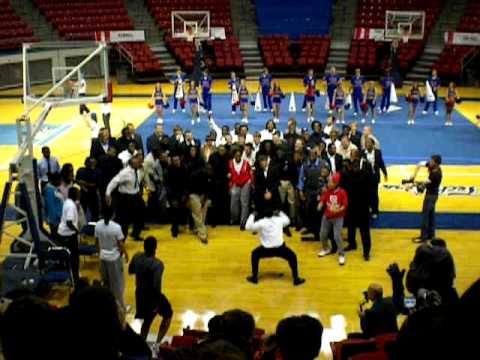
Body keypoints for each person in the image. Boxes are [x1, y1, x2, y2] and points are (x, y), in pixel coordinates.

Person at [128, 236, 173, 345]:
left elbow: (130, 270)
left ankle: (141, 345)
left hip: (139, 294)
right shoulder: (158, 264)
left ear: (144, 246)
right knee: (168, 314)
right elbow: (156, 285)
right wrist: (156, 303)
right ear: (155, 248)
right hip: (152, 296)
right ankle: (157, 343)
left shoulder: (137, 256)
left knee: (147, 321)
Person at [245, 209, 305, 286]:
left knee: (254, 254)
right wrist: (280, 212)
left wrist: (252, 215)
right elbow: (288, 220)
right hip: (280, 248)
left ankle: (254, 277)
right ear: (273, 214)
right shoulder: (279, 220)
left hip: (266, 250)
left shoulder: (261, 223)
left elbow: (247, 227)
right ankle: (296, 279)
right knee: (293, 257)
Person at [95, 206, 128, 310]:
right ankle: (121, 307)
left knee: (105, 283)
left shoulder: (98, 225)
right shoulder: (116, 227)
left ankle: (106, 306)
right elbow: (120, 244)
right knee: (117, 284)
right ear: (113, 214)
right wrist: (126, 254)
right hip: (114, 258)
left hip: (103, 257)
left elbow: (96, 242)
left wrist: (99, 253)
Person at [105, 154, 145, 241]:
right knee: (124, 220)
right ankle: (121, 240)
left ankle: (136, 233)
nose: (140, 163)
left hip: (136, 196)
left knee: (140, 214)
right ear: (132, 164)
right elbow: (114, 182)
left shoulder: (138, 170)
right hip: (126, 198)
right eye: (138, 162)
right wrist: (108, 193)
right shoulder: (125, 173)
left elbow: (139, 180)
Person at [410, 155, 443, 243]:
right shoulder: (436, 168)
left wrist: (412, 187)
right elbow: (420, 164)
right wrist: (414, 175)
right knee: (431, 215)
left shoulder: (435, 175)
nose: (430, 162)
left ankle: (423, 237)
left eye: (431, 161)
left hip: (430, 196)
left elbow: (422, 188)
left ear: (436, 163)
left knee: (425, 216)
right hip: (434, 195)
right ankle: (431, 235)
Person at [317, 173, 348, 265]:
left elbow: (345, 205)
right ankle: (325, 248)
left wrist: (338, 210)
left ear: (336, 183)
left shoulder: (342, 192)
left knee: (337, 236)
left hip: (338, 218)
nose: (328, 183)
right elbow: (323, 199)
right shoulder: (327, 191)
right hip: (327, 216)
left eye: (330, 182)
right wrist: (320, 204)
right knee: (322, 234)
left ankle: (341, 254)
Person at [344, 159, 372, 260]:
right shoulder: (350, 176)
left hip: (362, 208)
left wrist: (370, 206)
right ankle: (352, 244)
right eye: (353, 166)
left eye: (356, 166)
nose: (355, 168)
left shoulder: (363, 176)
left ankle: (366, 252)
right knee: (351, 228)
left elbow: (369, 191)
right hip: (352, 208)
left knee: (364, 232)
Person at [57, 186, 81, 283]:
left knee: (66, 257)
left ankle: (68, 276)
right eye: (78, 193)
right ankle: (75, 278)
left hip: (62, 234)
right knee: (74, 258)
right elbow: (69, 222)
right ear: (75, 195)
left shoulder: (68, 202)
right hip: (68, 235)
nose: (80, 195)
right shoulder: (71, 206)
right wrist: (77, 231)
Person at [187, 151, 210, 244]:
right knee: (199, 215)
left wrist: (204, 196)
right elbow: (189, 186)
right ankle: (203, 234)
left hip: (200, 194)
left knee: (199, 215)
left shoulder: (192, 171)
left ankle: (198, 229)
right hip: (195, 194)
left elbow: (207, 185)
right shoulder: (202, 172)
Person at [362, 137, 387, 218]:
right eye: (366, 143)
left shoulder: (377, 152)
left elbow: (381, 163)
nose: (367, 144)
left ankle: (375, 211)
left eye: (369, 143)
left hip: (374, 177)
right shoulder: (362, 153)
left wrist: (385, 173)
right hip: (365, 177)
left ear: (373, 144)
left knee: (374, 194)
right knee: (366, 194)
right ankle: (367, 209)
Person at [228, 148, 253, 230]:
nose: (238, 156)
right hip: (235, 183)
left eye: (239, 155)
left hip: (246, 183)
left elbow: (251, 174)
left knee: (244, 202)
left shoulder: (246, 163)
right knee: (233, 202)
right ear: (234, 155)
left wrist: (251, 183)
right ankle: (234, 219)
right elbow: (229, 175)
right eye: (236, 155)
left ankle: (243, 222)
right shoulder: (230, 163)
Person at [165, 154, 188, 238]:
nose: (176, 162)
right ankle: (174, 231)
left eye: (177, 160)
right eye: (174, 161)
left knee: (181, 211)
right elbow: (167, 185)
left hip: (182, 194)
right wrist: (172, 198)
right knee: (174, 212)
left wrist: (185, 195)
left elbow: (186, 182)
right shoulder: (169, 170)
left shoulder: (184, 168)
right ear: (172, 161)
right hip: (173, 194)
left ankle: (181, 226)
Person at [75, 156, 101, 221]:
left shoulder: (97, 172)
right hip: (83, 194)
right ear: (86, 163)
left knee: (95, 213)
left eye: (94, 163)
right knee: (82, 211)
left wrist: (84, 183)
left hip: (93, 194)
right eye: (91, 163)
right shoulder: (81, 170)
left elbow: (96, 184)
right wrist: (82, 186)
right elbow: (76, 180)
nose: (92, 164)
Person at [42, 173, 64, 239]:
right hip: (55, 219)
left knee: (57, 236)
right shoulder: (49, 190)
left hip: (58, 217)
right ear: (55, 181)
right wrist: (53, 221)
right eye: (60, 180)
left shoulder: (54, 188)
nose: (61, 182)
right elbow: (50, 206)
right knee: (55, 237)